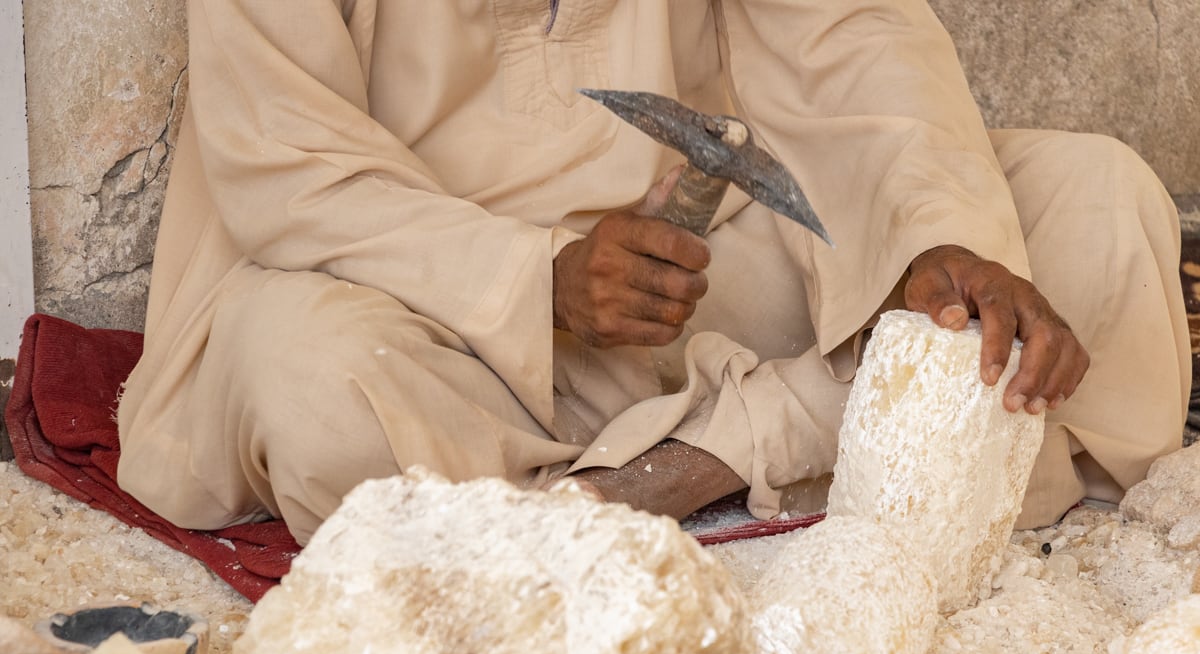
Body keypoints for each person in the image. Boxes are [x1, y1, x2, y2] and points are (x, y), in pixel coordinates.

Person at [116, 0, 1189, 546]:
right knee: (310, 388)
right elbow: (283, 164)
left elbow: (852, 33)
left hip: (688, 277)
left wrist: (938, 241)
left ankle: (647, 485)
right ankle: (809, 437)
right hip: (419, 298)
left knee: (1096, 201)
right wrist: (535, 276)